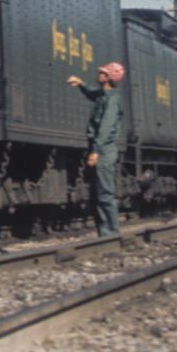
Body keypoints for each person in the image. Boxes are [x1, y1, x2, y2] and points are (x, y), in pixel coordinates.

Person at [67, 61, 125, 237]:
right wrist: (81, 84)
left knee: (105, 192)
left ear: (108, 78)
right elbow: (92, 93)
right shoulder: (103, 94)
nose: (98, 74)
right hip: (99, 147)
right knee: (96, 193)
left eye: (102, 73)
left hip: (104, 149)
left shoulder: (112, 99)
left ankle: (112, 234)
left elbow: (106, 127)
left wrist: (95, 151)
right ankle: (104, 233)